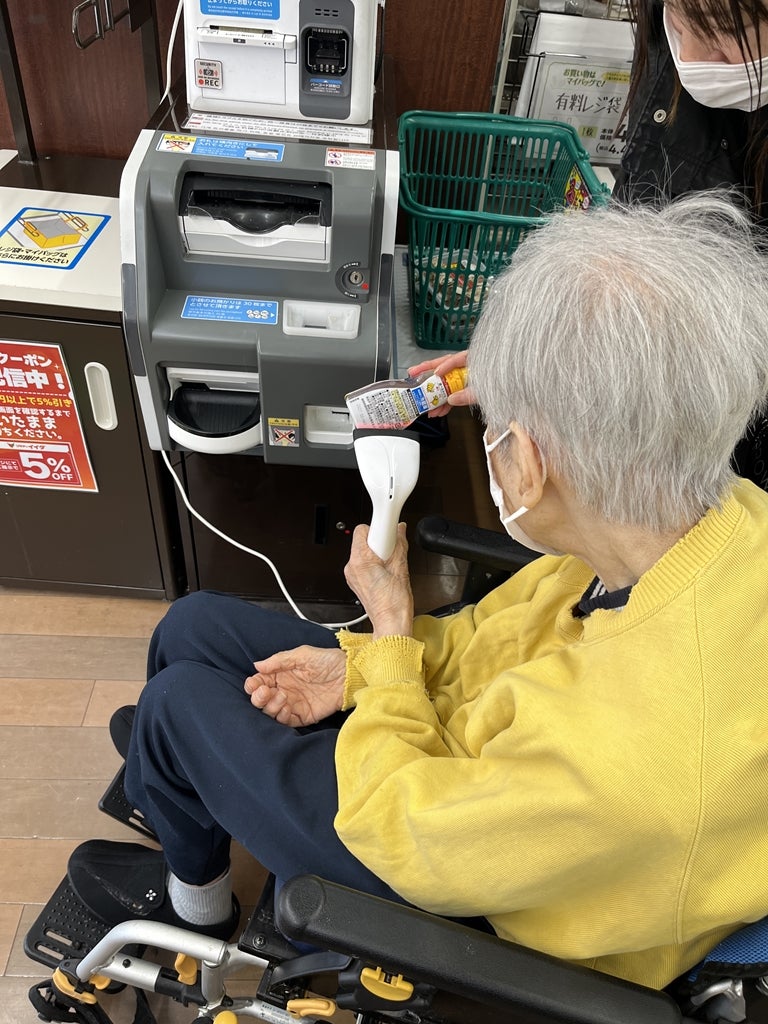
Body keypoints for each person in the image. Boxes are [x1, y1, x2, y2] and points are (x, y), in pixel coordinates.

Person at [67, 194, 768, 991]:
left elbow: (411, 835)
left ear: (532, 464)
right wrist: (367, 668)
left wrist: (393, 638)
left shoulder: (624, 760)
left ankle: (197, 909)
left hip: (467, 873)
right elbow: (498, 640)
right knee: (191, 627)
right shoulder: (696, 515)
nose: (488, 437)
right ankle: (184, 787)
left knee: (176, 706)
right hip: (488, 758)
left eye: (496, 431)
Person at [613, 0, 768, 489]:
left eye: (723, 31)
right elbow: (635, 214)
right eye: (679, 21)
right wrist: (542, 349)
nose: (692, 58)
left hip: (725, 441)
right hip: (638, 400)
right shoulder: (666, 38)